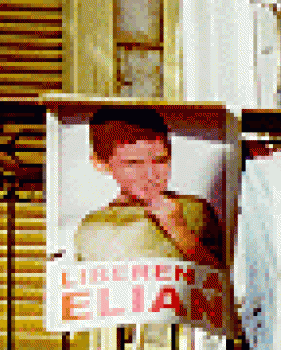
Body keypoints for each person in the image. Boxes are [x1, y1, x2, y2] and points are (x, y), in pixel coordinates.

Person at [73, 106, 223, 266]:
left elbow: (219, 278)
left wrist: (177, 227)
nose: (151, 175)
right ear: (100, 163)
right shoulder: (92, 225)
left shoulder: (194, 211)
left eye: (161, 161)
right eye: (133, 163)